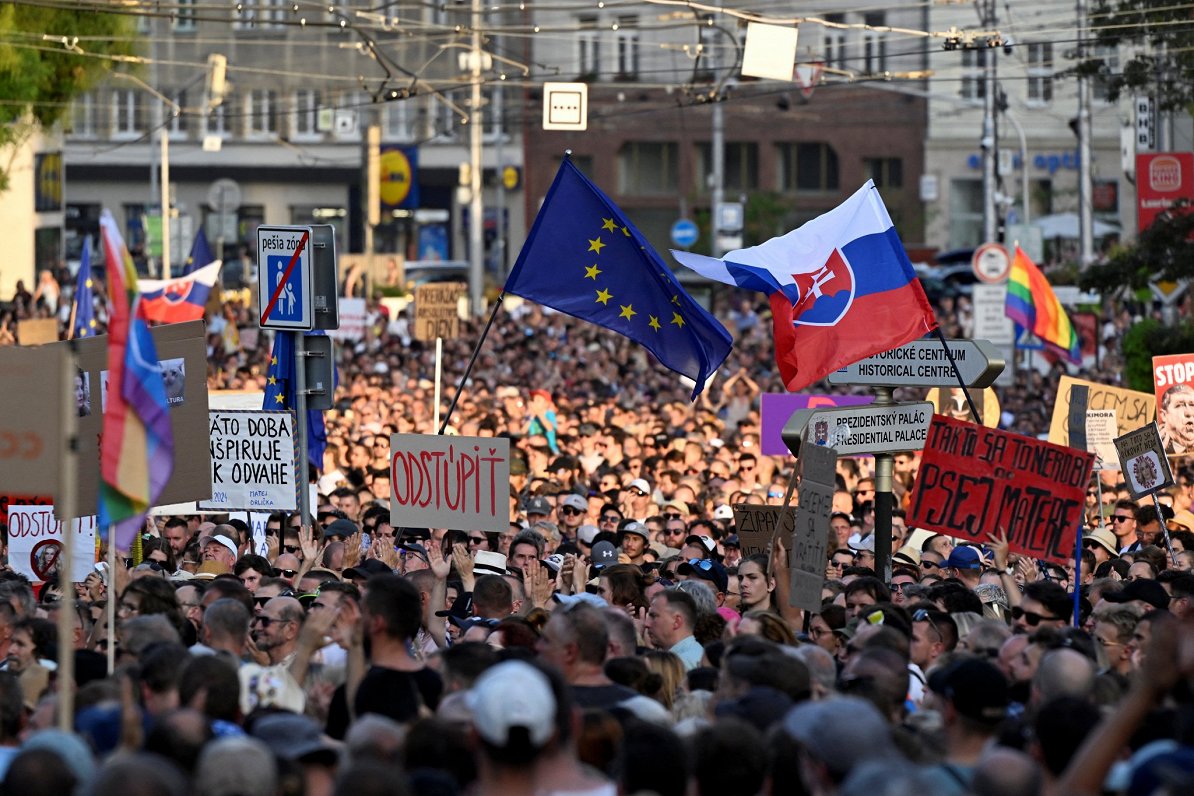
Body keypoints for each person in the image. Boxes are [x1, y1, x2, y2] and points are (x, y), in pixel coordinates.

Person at [643, 589, 702, 670]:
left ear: (677, 621)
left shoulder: (682, 664)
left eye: (653, 616)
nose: (646, 624)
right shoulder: (691, 655)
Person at [1159, 382, 1194, 454]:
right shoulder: (1156, 449)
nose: (1189, 412)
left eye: (1192, 405)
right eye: (1179, 405)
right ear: (1164, 415)